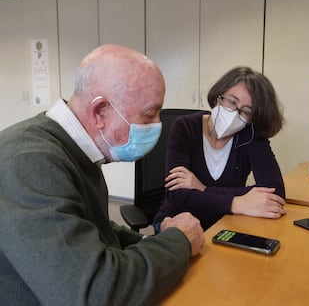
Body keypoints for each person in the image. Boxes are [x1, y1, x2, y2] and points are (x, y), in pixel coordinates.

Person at [0, 44, 205, 306]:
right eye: (149, 115)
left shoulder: (72, 150)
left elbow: (92, 227)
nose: (156, 126)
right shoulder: (31, 163)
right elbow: (95, 293)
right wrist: (179, 242)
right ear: (100, 112)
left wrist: (151, 240)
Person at [153, 66, 286, 232]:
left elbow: (275, 190)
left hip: (225, 222)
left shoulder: (250, 135)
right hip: (178, 221)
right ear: (218, 98)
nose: (234, 113)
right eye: (231, 101)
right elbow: (177, 196)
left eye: (246, 111)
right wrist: (237, 202)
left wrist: (202, 189)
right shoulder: (184, 127)